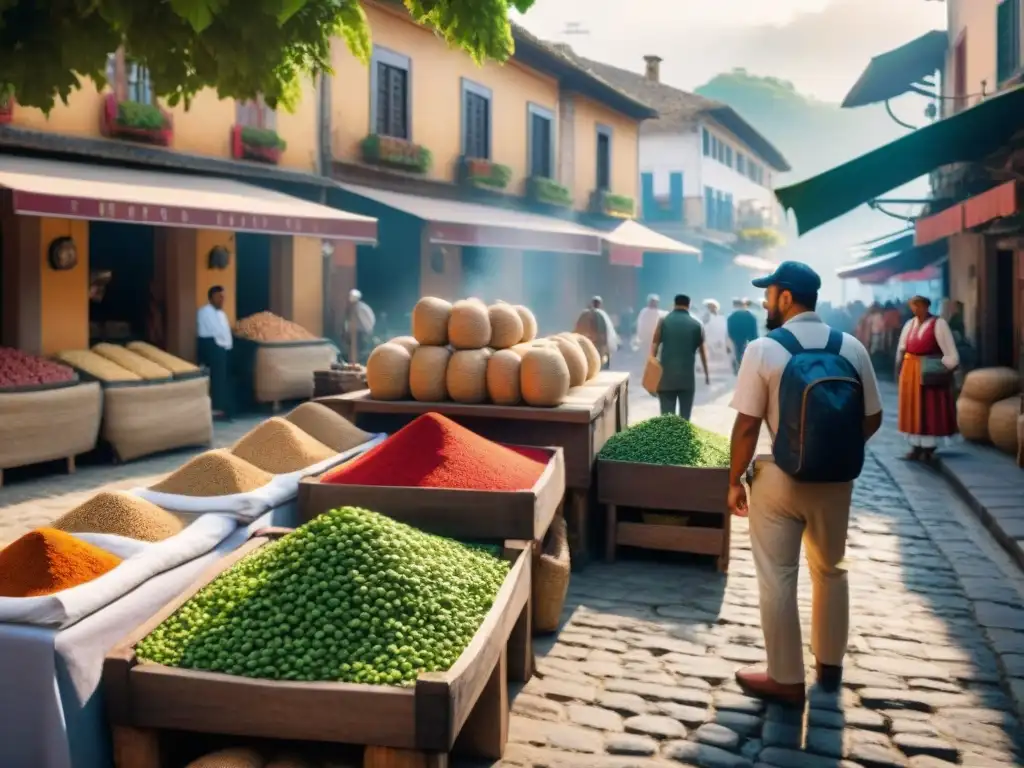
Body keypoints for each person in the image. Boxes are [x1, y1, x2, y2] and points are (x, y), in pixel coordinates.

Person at [727, 261, 883, 705]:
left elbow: (745, 427)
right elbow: (872, 417)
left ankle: (785, 678)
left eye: (769, 293)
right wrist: (831, 448)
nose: (764, 301)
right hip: (836, 480)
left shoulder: (763, 349)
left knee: (778, 576)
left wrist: (736, 480)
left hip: (781, 479)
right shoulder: (851, 346)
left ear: (787, 298)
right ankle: (830, 665)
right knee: (832, 569)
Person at [896, 295, 959, 463]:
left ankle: (929, 446)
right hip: (910, 370)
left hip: (928, 370)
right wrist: (899, 368)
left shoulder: (938, 324)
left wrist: (947, 367)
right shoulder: (909, 325)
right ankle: (916, 445)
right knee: (912, 408)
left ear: (927, 307)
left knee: (929, 407)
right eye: (914, 306)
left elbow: (949, 350)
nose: (917, 309)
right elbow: (902, 348)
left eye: (920, 306)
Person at [651, 294, 708, 419]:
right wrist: (706, 374)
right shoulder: (697, 324)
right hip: (687, 379)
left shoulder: (663, 321)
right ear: (689, 305)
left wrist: (651, 369)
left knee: (667, 419)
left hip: (666, 378)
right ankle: (683, 437)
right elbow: (703, 352)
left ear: (674, 304)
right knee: (685, 418)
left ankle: (667, 438)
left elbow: (654, 345)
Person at [196, 285, 235, 420]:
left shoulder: (222, 314)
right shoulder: (204, 312)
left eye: (223, 297)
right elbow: (215, 332)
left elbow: (226, 332)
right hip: (210, 346)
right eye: (219, 297)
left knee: (223, 378)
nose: (222, 300)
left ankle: (222, 407)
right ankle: (216, 409)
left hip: (222, 347)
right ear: (211, 298)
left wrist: (228, 347)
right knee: (216, 378)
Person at [575, 296, 619, 370]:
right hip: (596, 341)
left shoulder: (586, 314)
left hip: (591, 340)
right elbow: (605, 330)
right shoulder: (601, 314)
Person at [727, 298, 759, 371]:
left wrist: (730, 339)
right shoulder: (750, 316)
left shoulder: (731, 317)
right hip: (748, 338)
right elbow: (754, 330)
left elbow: (729, 330)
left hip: (737, 339)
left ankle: (739, 366)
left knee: (738, 352)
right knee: (749, 353)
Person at [345, 289, 376, 363]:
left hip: (359, 333)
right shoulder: (355, 307)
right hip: (354, 333)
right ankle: (354, 363)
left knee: (359, 351)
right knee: (353, 350)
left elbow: (365, 321)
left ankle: (358, 363)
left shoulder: (360, 308)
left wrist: (368, 331)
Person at [701, 299, 729, 370]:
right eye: (709, 306)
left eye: (712, 306)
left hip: (720, 339)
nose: (711, 308)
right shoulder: (705, 316)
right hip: (709, 339)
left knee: (720, 355)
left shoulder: (721, 316)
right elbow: (703, 327)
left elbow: (724, 328)